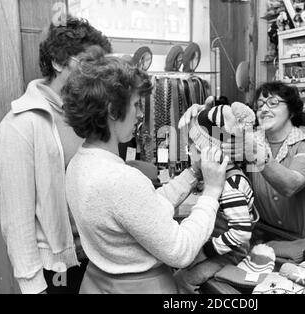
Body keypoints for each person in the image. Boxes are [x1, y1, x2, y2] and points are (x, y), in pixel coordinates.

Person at [62, 48, 229, 294]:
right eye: (137, 104)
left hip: (98, 282)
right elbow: (180, 250)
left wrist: (192, 173)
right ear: (111, 110)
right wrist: (212, 192)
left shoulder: (79, 163)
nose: (141, 113)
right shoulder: (119, 179)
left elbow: (144, 209)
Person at [0, 17, 111, 294]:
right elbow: (17, 218)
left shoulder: (88, 117)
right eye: (89, 63)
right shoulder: (20, 125)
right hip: (57, 270)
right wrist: (33, 286)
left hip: (98, 259)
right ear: (58, 62)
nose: (97, 74)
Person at [179, 82, 305, 240]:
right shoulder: (250, 137)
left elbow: (291, 185)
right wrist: (201, 119)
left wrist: (254, 152)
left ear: (292, 111)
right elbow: (211, 147)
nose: (264, 109)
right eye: (260, 105)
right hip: (266, 234)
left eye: (273, 103)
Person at [174, 102, 259, 293]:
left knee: (181, 280)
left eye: (194, 149)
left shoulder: (231, 186)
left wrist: (205, 252)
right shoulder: (221, 176)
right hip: (218, 246)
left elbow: (240, 233)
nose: (189, 153)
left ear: (211, 152)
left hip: (230, 253)